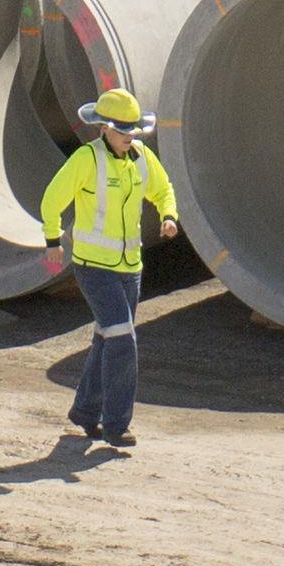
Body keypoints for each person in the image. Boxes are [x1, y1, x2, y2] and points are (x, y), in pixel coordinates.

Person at [36, 86, 177, 451]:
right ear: (103, 128)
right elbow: (51, 200)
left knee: (106, 336)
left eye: (134, 130)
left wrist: (168, 215)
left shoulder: (141, 158)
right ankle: (116, 424)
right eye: (123, 130)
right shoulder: (87, 160)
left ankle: (85, 411)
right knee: (123, 341)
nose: (130, 137)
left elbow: (163, 189)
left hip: (131, 268)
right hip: (93, 269)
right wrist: (52, 242)